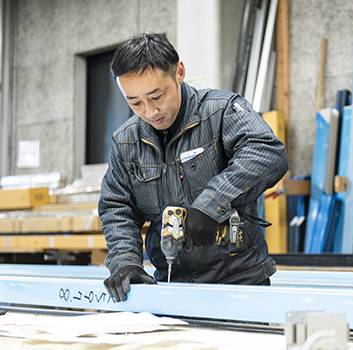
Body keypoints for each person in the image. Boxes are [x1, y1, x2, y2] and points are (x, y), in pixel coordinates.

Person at [98, 33, 287, 302]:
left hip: (241, 286)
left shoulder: (221, 112)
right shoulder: (126, 141)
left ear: (180, 72)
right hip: (171, 286)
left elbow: (267, 152)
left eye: (156, 96)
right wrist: (126, 262)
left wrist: (212, 204)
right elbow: (117, 207)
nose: (150, 111)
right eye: (135, 103)